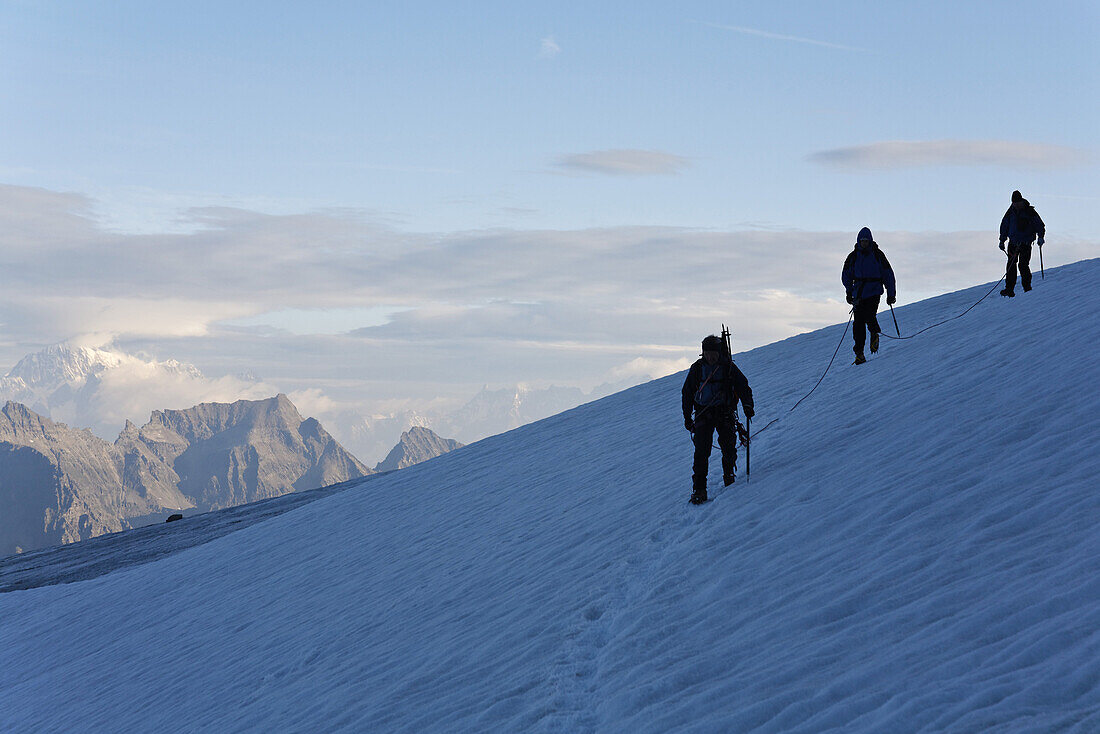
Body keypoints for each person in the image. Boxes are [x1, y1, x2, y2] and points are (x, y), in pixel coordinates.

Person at [681, 335, 754, 504]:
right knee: (701, 452)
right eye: (707, 353)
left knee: (728, 447)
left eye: (713, 353)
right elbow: (687, 393)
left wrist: (748, 406)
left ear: (719, 353)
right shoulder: (697, 369)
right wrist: (686, 415)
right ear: (703, 353)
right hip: (703, 415)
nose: (710, 357)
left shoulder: (728, 367)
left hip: (724, 412)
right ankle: (699, 489)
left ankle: (728, 474)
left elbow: (743, 386)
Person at [842, 227, 897, 365]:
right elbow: (846, 275)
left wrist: (891, 294)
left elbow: (888, 275)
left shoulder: (878, 255)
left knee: (869, 316)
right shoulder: (853, 256)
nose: (864, 243)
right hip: (859, 293)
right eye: (862, 241)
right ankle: (859, 353)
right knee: (858, 324)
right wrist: (849, 291)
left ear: (870, 241)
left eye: (866, 241)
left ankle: (874, 333)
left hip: (873, 291)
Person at [999, 190, 1045, 297]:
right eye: (1014, 203)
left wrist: (1041, 237)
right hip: (1013, 243)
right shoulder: (1010, 212)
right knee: (1011, 266)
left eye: (1017, 203)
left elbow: (1039, 225)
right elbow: (1004, 226)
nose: (1016, 205)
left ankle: (1027, 288)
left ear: (1021, 201)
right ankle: (1009, 289)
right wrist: (1002, 240)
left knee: (1023, 265)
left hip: (1026, 243)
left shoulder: (1029, 211)